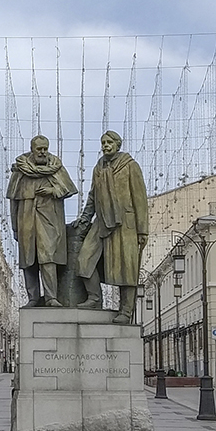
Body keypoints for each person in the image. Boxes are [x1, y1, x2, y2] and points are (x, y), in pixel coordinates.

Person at [75, 130, 149, 323]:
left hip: (126, 223)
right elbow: (93, 195)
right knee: (85, 258)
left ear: (117, 144)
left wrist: (142, 229)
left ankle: (125, 310)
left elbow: (140, 198)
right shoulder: (98, 167)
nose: (106, 145)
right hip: (101, 221)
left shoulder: (130, 166)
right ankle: (94, 297)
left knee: (127, 268)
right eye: (103, 142)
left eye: (109, 142)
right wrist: (85, 218)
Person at [7, 135, 78, 307]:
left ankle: (51, 297)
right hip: (26, 219)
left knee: (48, 258)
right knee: (28, 260)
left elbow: (69, 189)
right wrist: (15, 227)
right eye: (39, 149)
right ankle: (33, 297)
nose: (43, 152)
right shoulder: (20, 171)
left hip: (49, 219)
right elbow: (13, 200)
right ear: (32, 149)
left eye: (45, 148)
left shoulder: (55, 167)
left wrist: (53, 190)